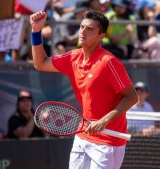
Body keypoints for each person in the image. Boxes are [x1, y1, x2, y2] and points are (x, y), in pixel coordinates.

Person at [30, 10, 138, 169]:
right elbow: (40, 63)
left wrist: (103, 121)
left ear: (101, 36)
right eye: (82, 27)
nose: (83, 31)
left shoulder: (109, 62)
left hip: (108, 142)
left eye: (90, 29)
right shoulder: (73, 57)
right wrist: (36, 30)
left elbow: (132, 97)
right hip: (83, 136)